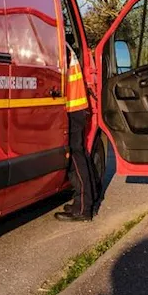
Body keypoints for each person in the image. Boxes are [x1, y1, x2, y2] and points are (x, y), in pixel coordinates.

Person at [56, 42, 97, 221]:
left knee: (75, 157)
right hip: (77, 107)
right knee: (81, 154)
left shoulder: (60, 47)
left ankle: (82, 209)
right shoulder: (66, 46)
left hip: (72, 108)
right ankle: (90, 199)